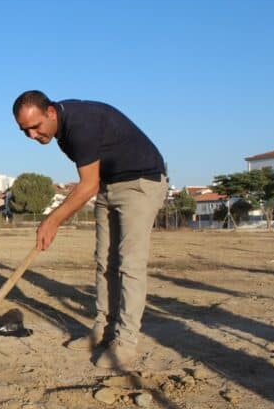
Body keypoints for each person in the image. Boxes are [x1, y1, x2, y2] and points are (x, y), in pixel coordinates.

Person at [12, 91, 168, 371]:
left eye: (35, 127)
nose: (33, 135)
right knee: (104, 261)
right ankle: (103, 330)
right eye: (25, 131)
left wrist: (52, 220)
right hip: (109, 185)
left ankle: (126, 342)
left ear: (50, 112)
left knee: (129, 263)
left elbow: (87, 186)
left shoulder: (79, 125)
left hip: (141, 183)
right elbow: (93, 180)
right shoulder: (63, 134)